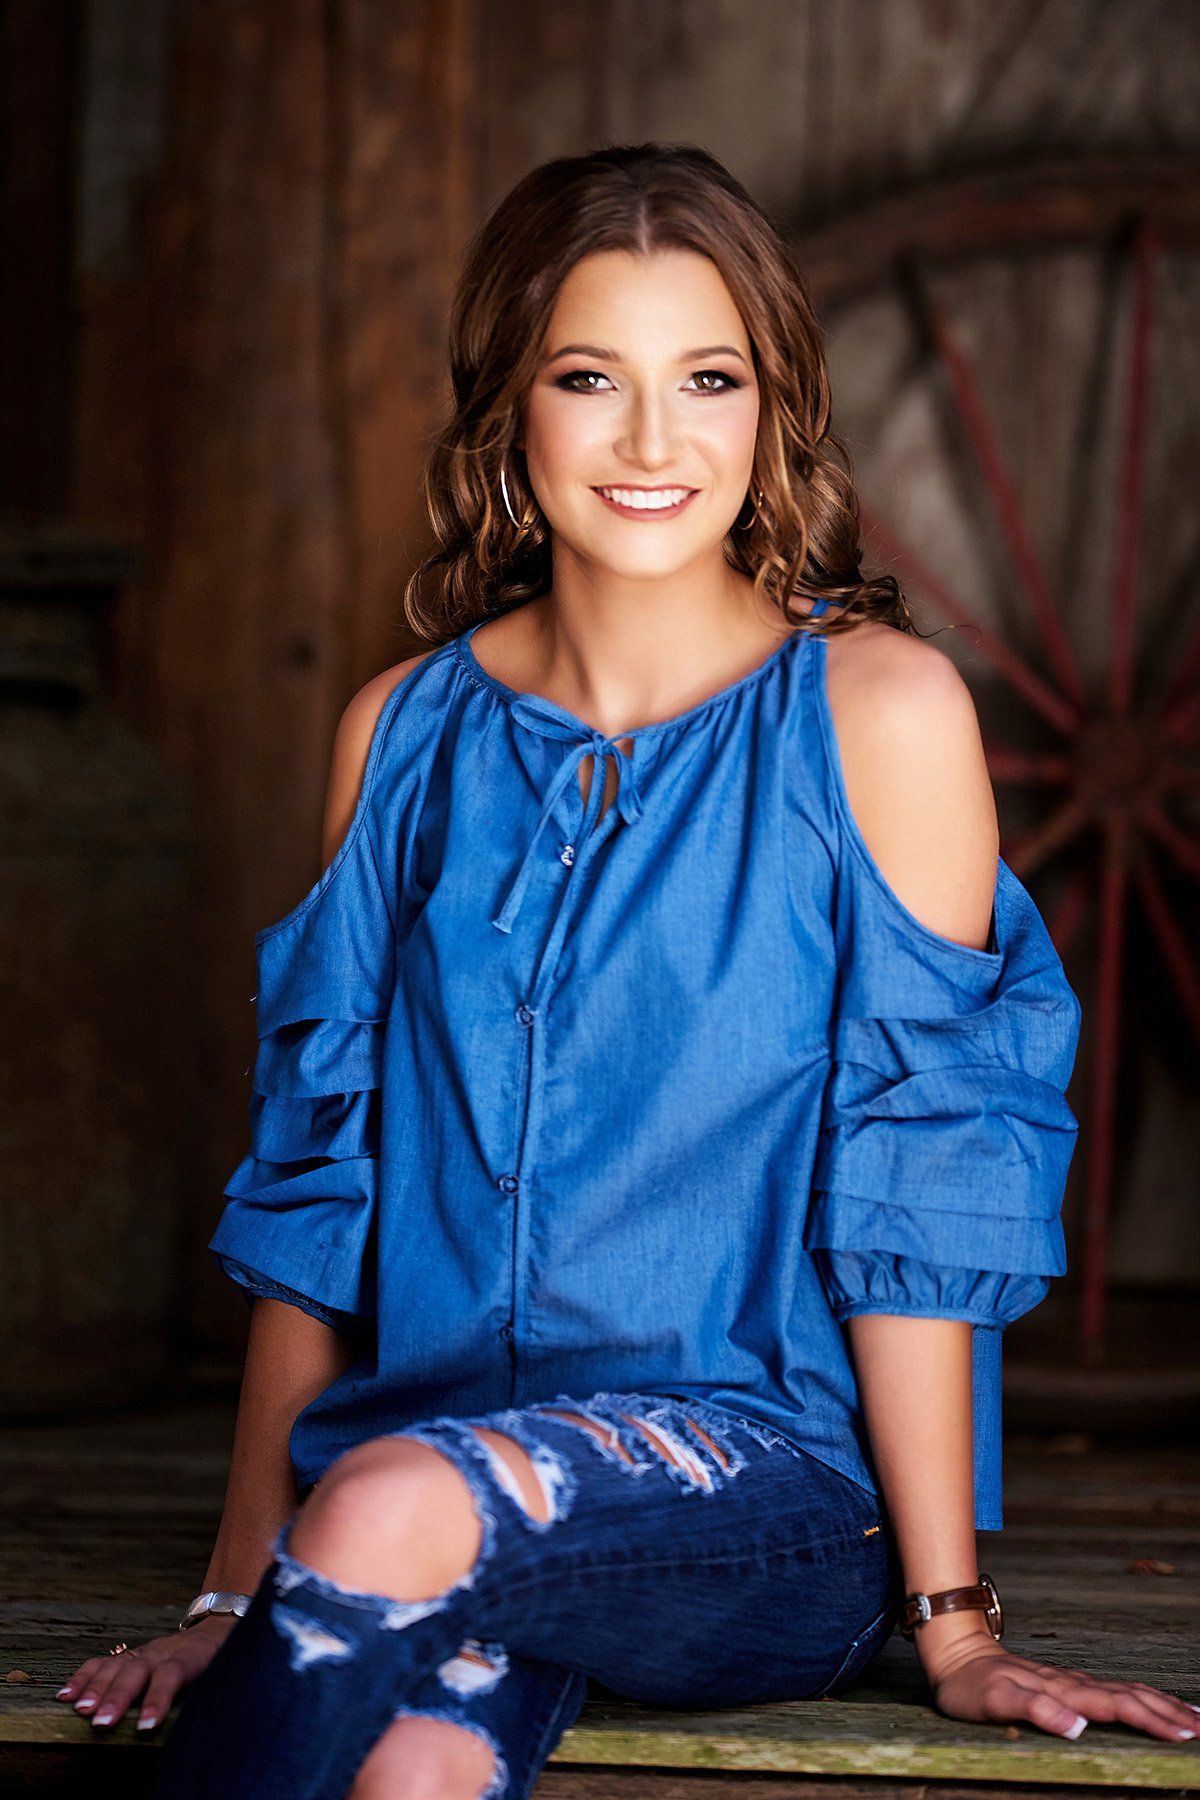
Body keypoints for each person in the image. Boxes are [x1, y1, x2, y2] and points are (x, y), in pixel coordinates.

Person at [58, 143, 1198, 1798]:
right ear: (510, 411)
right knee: (414, 1763)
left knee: (377, 1504)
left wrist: (953, 1624)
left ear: (771, 406)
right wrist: (234, 1596)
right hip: (435, 1489)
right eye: (592, 377)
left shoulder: (878, 715)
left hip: (761, 1510)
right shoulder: (398, 737)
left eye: (709, 378)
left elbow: (924, 1190)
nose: (656, 441)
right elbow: (323, 1196)